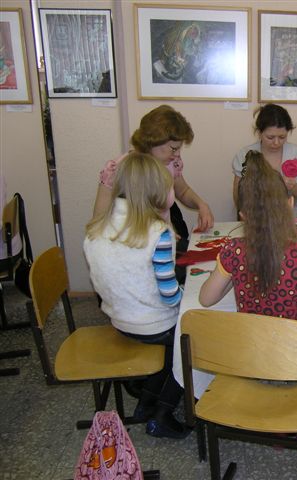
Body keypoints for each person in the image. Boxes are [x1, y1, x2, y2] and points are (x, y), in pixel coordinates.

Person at [84, 153, 189, 439]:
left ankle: (145, 403)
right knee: (192, 342)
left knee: (169, 347)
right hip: (152, 325)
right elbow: (170, 296)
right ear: (157, 192)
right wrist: (191, 295)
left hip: (119, 320)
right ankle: (163, 414)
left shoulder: (97, 227)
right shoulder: (158, 233)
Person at [201, 150, 297, 332]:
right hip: (291, 347)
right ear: (290, 203)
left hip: (250, 345)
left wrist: (233, 275)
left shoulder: (233, 251)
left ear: (243, 216)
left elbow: (206, 299)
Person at [93, 105, 214, 255]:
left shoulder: (171, 163)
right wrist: (157, 235)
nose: (177, 154)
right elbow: (99, 224)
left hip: (162, 244)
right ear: (153, 141)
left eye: (179, 148)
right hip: (131, 250)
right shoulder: (119, 171)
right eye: (173, 148)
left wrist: (202, 205)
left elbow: (183, 191)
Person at [232, 104, 297, 217]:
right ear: (259, 133)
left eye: (282, 137)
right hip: (256, 219)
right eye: (270, 137)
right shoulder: (246, 155)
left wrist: (293, 187)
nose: (276, 142)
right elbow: (238, 197)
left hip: (291, 219)